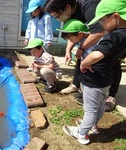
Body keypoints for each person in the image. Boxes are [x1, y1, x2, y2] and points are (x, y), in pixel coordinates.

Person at [62, 0, 126, 144]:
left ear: (116, 17)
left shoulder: (113, 36)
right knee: (100, 105)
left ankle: (82, 133)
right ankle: (94, 126)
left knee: (90, 109)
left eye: (103, 20)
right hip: (106, 78)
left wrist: (84, 63)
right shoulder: (123, 35)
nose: (101, 25)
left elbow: (97, 54)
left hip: (94, 80)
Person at [44, 0, 121, 111]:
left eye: (57, 16)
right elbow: (72, 34)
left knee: (112, 61)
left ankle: (111, 96)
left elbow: (99, 32)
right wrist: (68, 50)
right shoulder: (70, 14)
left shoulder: (89, 7)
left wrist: (81, 48)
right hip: (94, 37)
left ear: (67, 7)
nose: (57, 19)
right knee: (81, 58)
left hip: (114, 34)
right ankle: (77, 85)